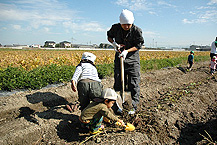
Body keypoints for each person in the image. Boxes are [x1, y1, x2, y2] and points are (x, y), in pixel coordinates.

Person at [107, 9, 144, 114]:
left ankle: (134, 106)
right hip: (119, 58)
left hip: (132, 60)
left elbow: (138, 45)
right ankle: (118, 105)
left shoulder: (137, 30)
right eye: (124, 25)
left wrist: (127, 51)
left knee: (134, 83)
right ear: (120, 23)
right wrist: (114, 43)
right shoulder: (115, 28)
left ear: (132, 23)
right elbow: (109, 36)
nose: (126, 27)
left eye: (128, 24)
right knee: (118, 82)